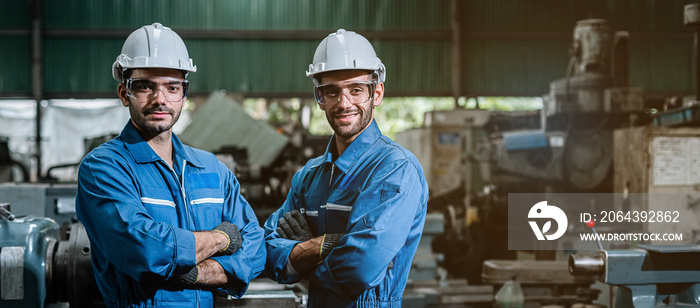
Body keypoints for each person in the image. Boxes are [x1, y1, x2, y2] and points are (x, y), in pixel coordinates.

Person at [75, 22, 266, 307]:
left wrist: (196, 272)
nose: (160, 99)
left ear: (184, 95)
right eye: (145, 87)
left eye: (172, 87)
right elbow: (145, 250)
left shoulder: (211, 168)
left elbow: (255, 248)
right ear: (124, 93)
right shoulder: (104, 168)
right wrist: (222, 238)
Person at [264, 29, 429, 307]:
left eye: (355, 90)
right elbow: (266, 253)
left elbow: (358, 269)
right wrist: (321, 245)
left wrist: (301, 254)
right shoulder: (309, 176)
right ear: (320, 98)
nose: (344, 103)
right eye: (332, 92)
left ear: (376, 93)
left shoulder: (395, 169)